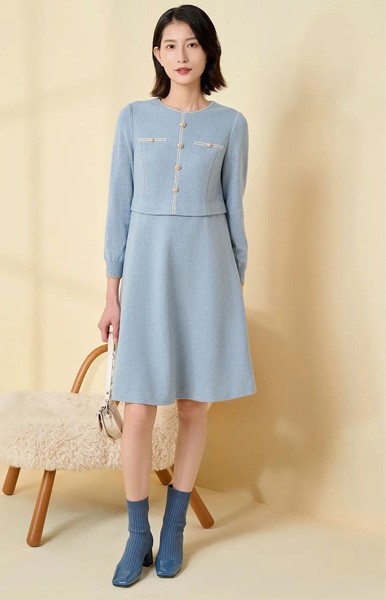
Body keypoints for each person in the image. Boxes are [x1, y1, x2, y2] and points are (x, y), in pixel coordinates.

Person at [97, 4, 256, 587]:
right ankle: (136, 532)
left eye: (192, 44)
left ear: (208, 52)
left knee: (193, 407)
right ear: (157, 54)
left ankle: (173, 528)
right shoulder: (133, 118)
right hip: (146, 274)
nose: (181, 55)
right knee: (138, 409)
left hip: (209, 275)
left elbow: (235, 213)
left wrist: (232, 292)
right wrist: (112, 294)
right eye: (170, 45)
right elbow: (118, 210)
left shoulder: (231, 125)